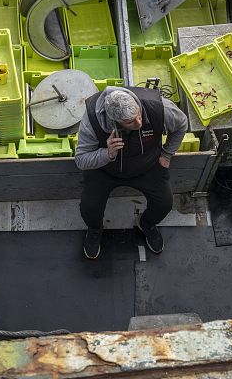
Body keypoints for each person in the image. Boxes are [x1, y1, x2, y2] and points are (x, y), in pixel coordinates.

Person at [74, 86, 188, 259]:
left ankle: (146, 224)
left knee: (164, 204)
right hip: (105, 170)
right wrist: (108, 154)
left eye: (138, 115)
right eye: (130, 122)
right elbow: (81, 159)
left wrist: (167, 154)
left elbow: (181, 124)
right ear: (115, 122)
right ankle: (95, 229)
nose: (139, 123)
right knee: (89, 207)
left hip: (147, 166)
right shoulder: (92, 121)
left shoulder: (159, 108)